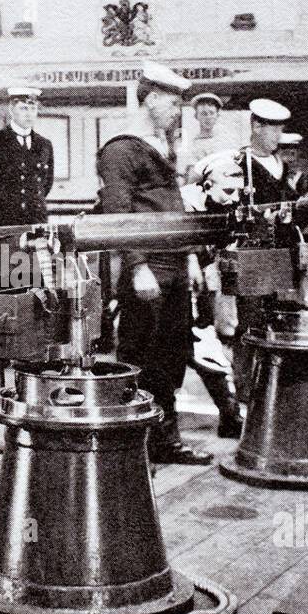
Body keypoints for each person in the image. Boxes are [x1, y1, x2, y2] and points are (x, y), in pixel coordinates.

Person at [97, 61, 212, 466]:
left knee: (171, 355)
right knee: (138, 357)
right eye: (171, 102)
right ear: (150, 100)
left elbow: (175, 209)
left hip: (175, 267)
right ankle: (128, 447)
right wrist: (137, 266)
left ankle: (163, 441)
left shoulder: (163, 148)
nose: (177, 110)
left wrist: (192, 258)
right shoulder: (121, 149)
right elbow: (119, 216)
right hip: (147, 271)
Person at [180, 151, 245, 438]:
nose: (233, 198)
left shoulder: (228, 205)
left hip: (205, 286)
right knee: (200, 345)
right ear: (206, 187)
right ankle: (229, 413)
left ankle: (230, 414)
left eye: (237, 192)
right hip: (174, 285)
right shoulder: (184, 203)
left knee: (208, 344)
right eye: (227, 191)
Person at [0, 87, 55, 226]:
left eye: (33, 109)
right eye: (23, 108)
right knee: (5, 249)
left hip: (36, 222)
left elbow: (46, 184)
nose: (29, 114)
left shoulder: (44, 144)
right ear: (11, 109)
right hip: (3, 223)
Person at [239, 98, 305, 205]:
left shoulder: (281, 165)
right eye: (274, 130)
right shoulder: (241, 164)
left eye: (281, 130)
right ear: (257, 127)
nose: (279, 135)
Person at [182, 92, 237, 182]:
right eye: (203, 114)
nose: (208, 117)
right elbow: (191, 174)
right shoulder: (192, 144)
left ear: (217, 115)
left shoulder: (225, 141)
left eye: (211, 113)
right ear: (196, 116)